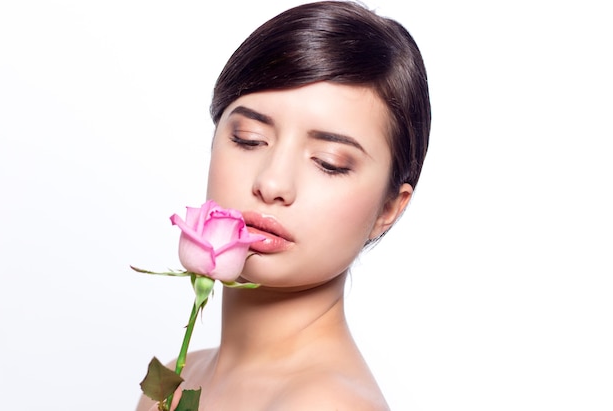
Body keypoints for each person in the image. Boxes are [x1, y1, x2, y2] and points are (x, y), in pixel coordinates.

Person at [137, 1, 430, 409]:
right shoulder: (173, 381)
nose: (271, 183)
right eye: (248, 138)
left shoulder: (327, 404)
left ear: (389, 209)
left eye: (330, 163)